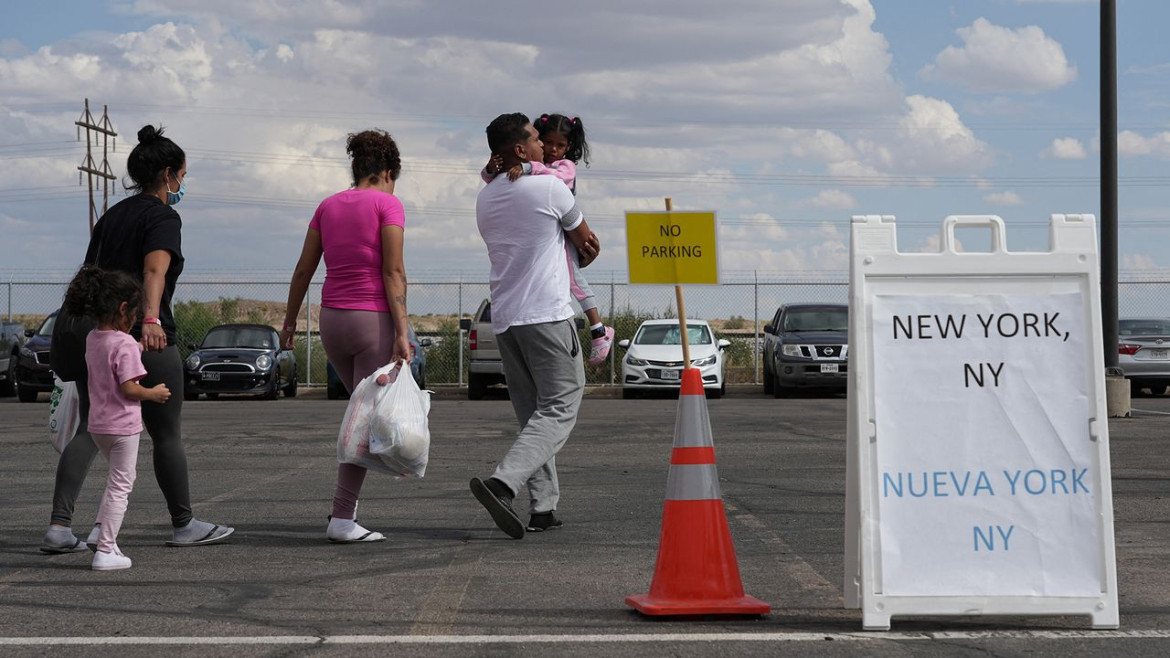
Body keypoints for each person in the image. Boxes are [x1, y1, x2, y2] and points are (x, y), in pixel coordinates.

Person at [41, 125, 234, 554]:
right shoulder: (163, 216)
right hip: (141, 334)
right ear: (167, 174)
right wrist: (150, 319)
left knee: (92, 427)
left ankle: (59, 526)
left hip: (93, 332)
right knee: (166, 433)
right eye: (182, 176)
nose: (182, 184)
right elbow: (153, 271)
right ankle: (184, 523)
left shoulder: (112, 216)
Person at [469, 112, 600, 539]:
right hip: (546, 314)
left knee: (533, 417)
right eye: (535, 139)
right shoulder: (549, 187)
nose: (545, 145)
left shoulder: (484, 199)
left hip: (506, 320)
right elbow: (587, 242)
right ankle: (503, 482)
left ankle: (543, 506)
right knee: (562, 404)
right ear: (521, 150)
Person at [280, 129, 410, 543]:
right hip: (371, 319)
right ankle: (341, 518)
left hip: (332, 321)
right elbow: (393, 271)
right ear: (388, 172)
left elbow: (303, 270)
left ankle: (347, 512)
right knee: (364, 419)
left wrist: (288, 323)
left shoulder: (327, 206)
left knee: (363, 412)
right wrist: (403, 331)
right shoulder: (388, 204)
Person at [60, 266, 172, 569]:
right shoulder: (123, 344)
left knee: (114, 480)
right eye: (134, 314)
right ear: (124, 309)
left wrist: (134, 346)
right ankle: (106, 550)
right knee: (122, 484)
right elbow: (129, 387)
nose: (135, 320)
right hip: (123, 427)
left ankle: (100, 533)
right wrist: (154, 394)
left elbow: (113, 358)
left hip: (98, 425)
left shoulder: (95, 338)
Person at [482, 113, 614, 365]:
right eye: (545, 141)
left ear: (569, 147)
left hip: (562, 232)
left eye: (560, 145)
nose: (551, 148)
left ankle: (598, 329)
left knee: (575, 279)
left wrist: (527, 167)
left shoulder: (563, 170)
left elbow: (552, 181)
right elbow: (492, 180)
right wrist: (493, 167)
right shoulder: (515, 180)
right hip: (551, 235)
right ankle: (598, 331)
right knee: (573, 277)